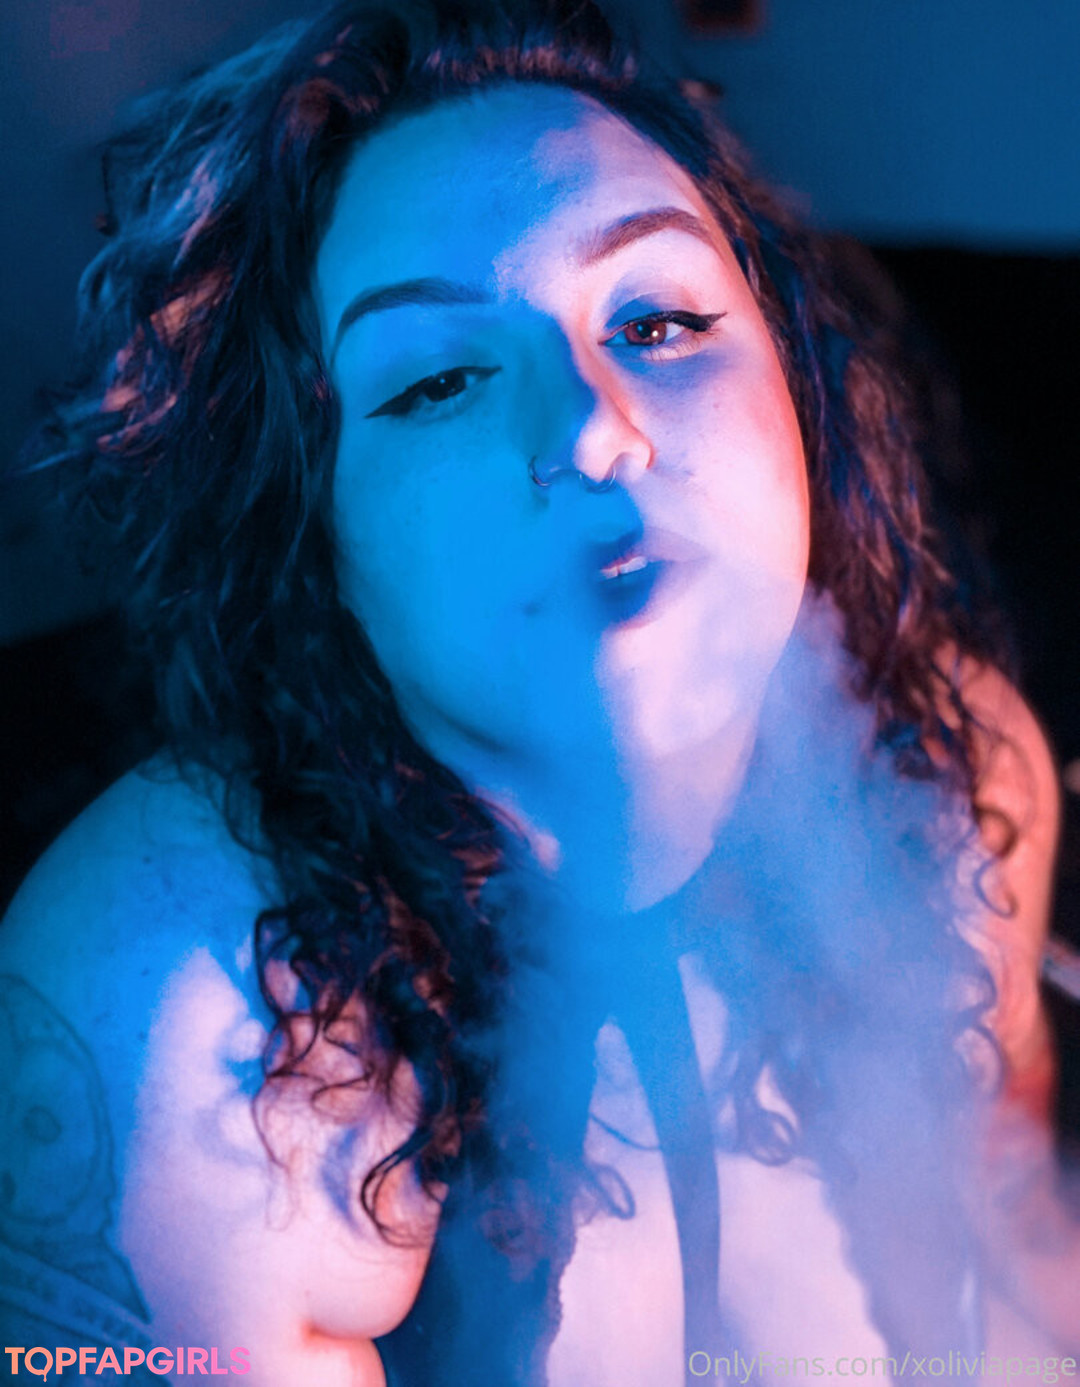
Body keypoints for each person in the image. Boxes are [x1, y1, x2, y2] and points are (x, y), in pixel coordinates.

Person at [0, 1, 1072, 1382]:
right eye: (440, 381)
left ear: (800, 399)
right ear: (310, 533)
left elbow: (1022, 1250)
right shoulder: (189, 1020)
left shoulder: (959, 778)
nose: (590, 427)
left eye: (659, 320)